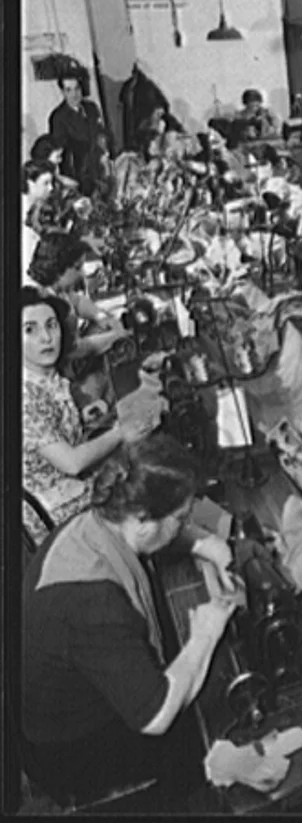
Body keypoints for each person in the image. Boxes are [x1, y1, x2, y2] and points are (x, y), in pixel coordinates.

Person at [21, 434, 240, 809]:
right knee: (207, 728)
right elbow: (155, 716)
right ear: (143, 519)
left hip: (72, 697)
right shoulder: (93, 607)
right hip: (74, 751)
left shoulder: (96, 522)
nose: (185, 524)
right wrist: (205, 634)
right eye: (181, 518)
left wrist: (206, 545)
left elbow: (157, 534)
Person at [22, 287, 158, 543]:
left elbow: (49, 431)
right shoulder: (25, 396)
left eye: (51, 325)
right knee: (143, 472)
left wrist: (82, 416)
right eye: (30, 329)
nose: (46, 338)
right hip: (55, 507)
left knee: (141, 431)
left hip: (66, 480)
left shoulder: (43, 376)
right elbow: (72, 462)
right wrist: (119, 433)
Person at [27, 234, 129, 364]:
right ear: (59, 268)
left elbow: (78, 301)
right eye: (77, 268)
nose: (82, 274)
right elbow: (73, 350)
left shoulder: (59, 290)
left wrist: (101, 317)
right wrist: (114, 337)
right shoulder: (43, 306)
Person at [48, 74, 107, 197]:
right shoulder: (58, 117)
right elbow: (62, 155)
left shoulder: (91, 108)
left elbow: (100, 134)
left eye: (77, 89)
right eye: (68, 90)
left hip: (100, 171)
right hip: (79, 177)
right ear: (63, 92)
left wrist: (105, 153)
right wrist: (73, 186)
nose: (74, 94)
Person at [21, 158, 56, 283]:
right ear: (30, 183)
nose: (51, 188)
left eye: (51, 183)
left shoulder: (38, 208)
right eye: (45, 183)